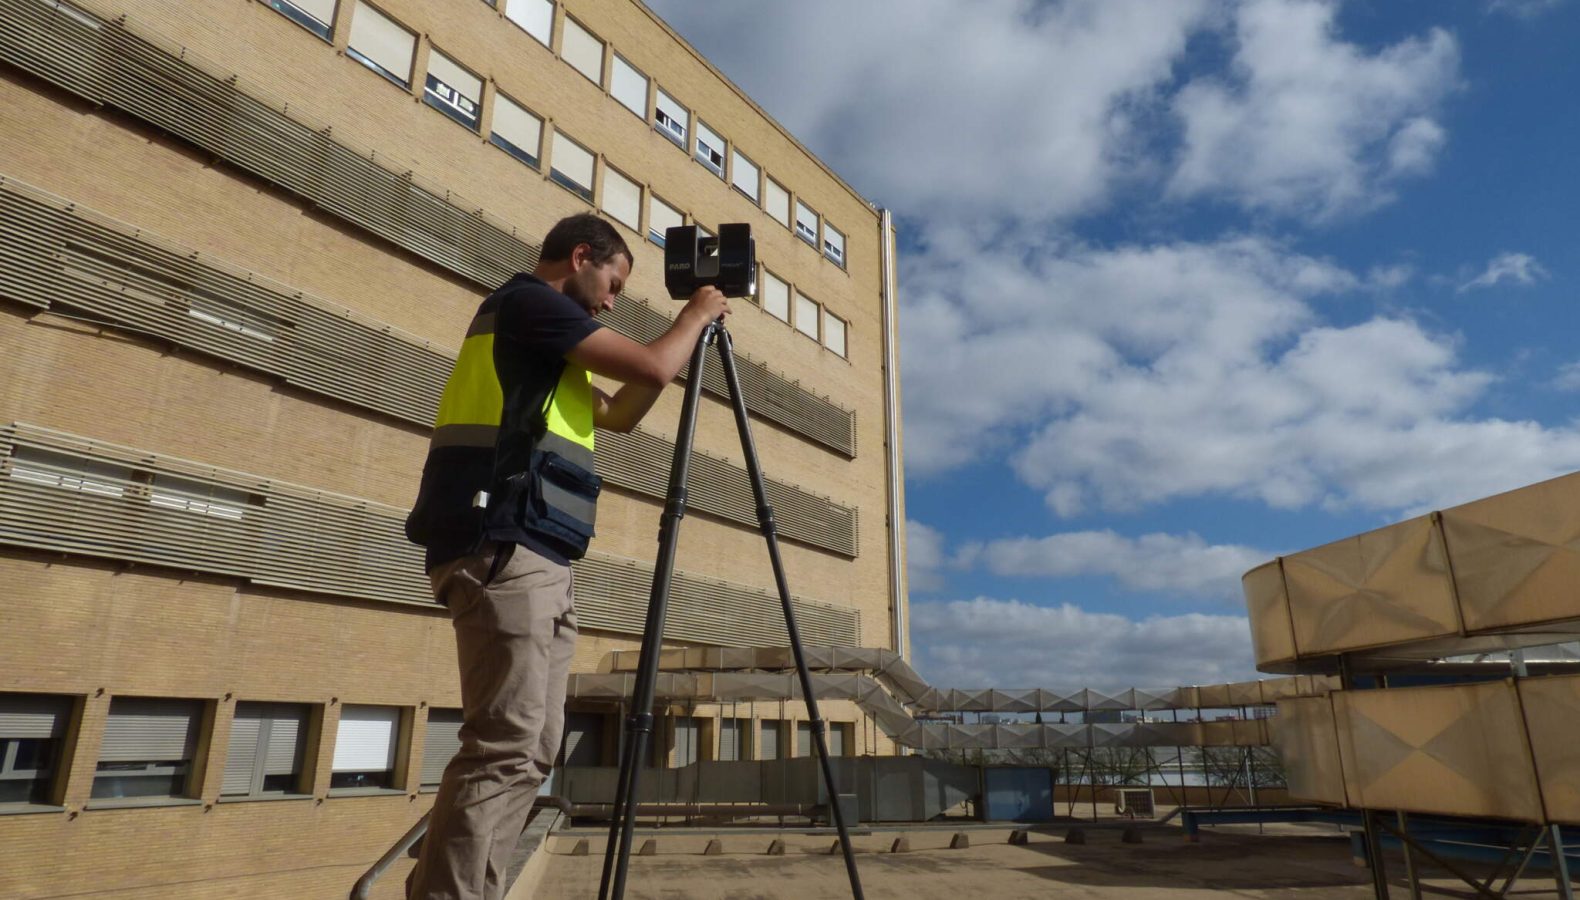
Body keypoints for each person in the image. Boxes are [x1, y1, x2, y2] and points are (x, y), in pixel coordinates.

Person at [403, 213, 729, 900]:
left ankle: (464, 886)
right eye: (611, 284)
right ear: (580, 256)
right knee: (505, 745)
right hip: (504, 546)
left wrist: (682, 342)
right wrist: (696, 314)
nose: (611, 302)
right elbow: (647, 363)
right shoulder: (529, 304)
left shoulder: (547, 339)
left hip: (538, 552)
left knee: (532, 751)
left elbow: (621, 410)